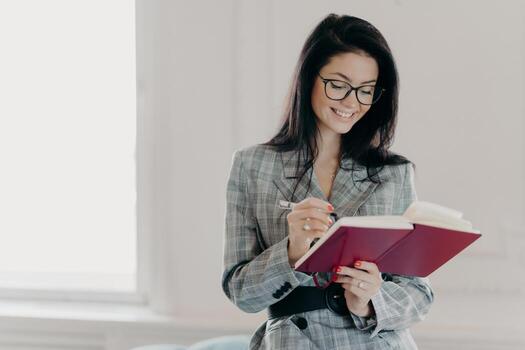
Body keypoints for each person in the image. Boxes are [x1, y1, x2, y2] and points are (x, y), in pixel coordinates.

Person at [222, 13, 434, 350]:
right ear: (309, 78)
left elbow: (419, 294)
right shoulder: (253, 166)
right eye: (338, 84)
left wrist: (369, 299)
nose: (352, 102)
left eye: (366, 91)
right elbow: (240, 292)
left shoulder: (394, 173)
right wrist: (291, 253)